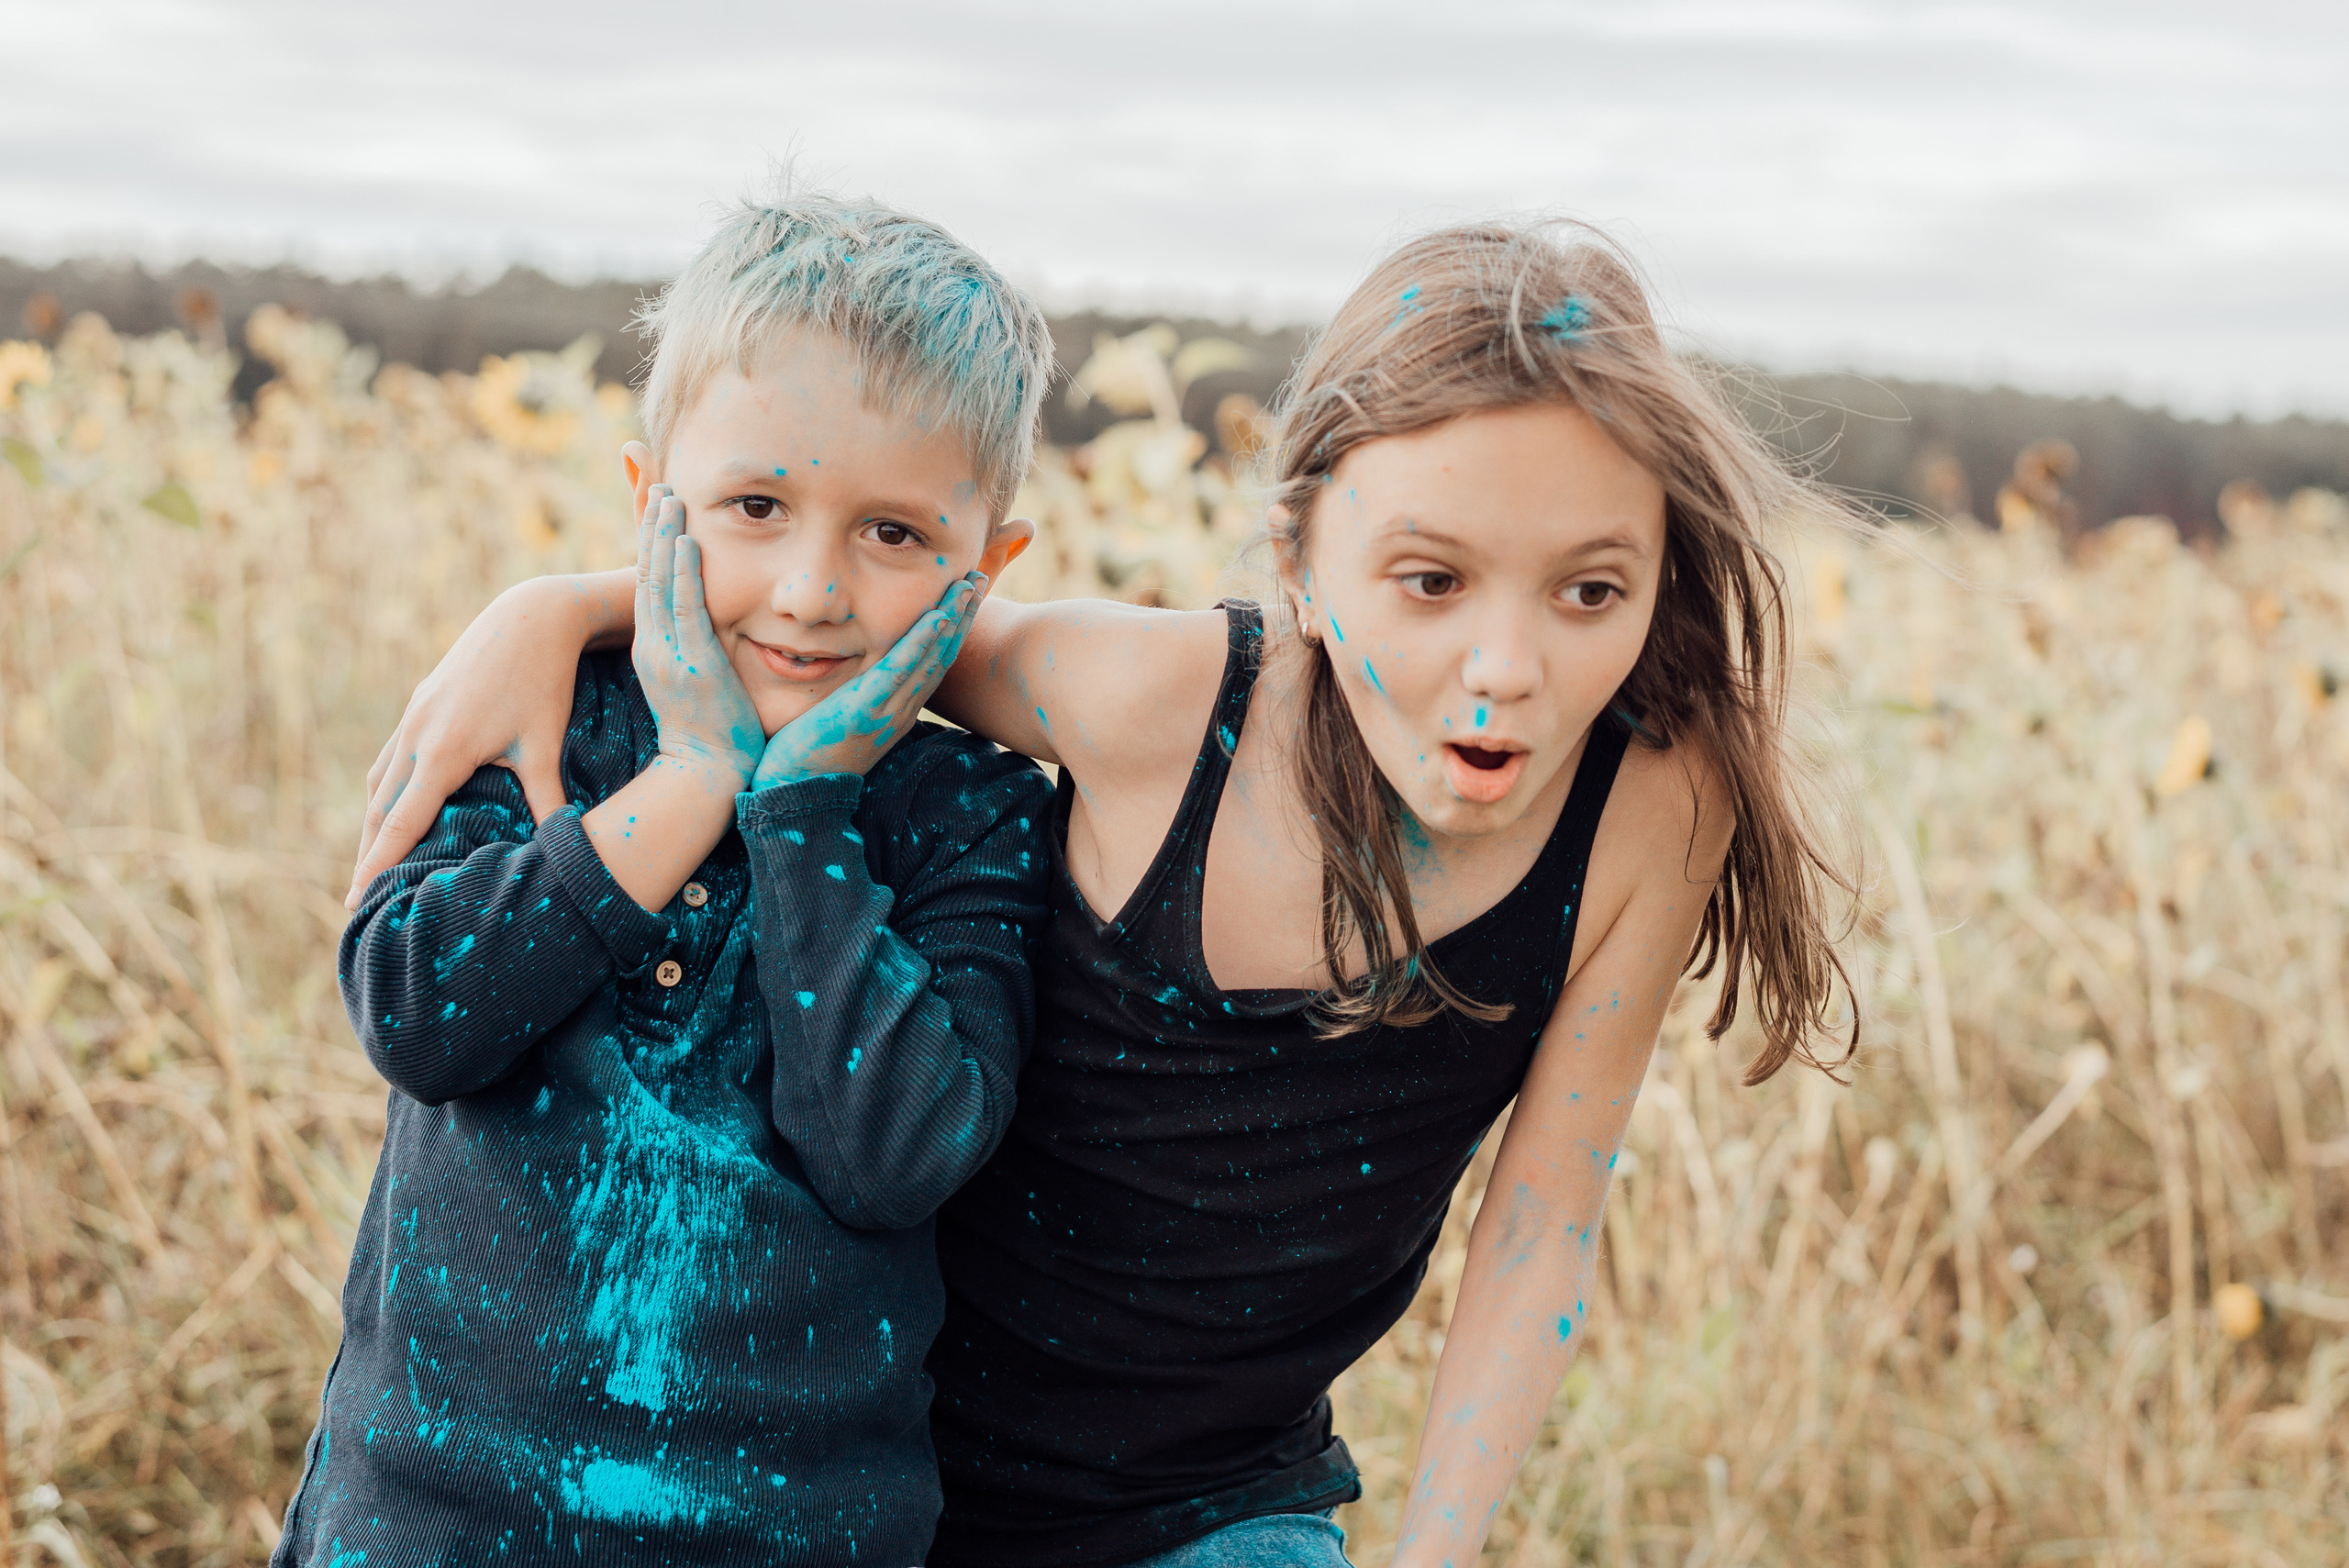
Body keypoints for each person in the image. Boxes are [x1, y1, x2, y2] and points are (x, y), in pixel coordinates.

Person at [347, 217, 1855, 1568]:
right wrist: (556, 608)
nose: (1508, 667)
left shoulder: (1654, 808)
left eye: (1590, 590)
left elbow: (1544, 1225)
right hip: (877, 1468)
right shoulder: (1151, 701)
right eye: (1431, 580)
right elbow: (865, 632)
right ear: (1301, 560)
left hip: (1214, 1507)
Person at [278, 193, 1057, 1565]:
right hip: (427, 1522)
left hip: (793, 1536)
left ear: (985, 567)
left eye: (893, 534)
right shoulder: (545, 719)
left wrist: (803, 807)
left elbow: (899, 1153)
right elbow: (413, 1011)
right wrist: (692, 778)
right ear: (651, 502)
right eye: (756, 506)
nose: (812, 588)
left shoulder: (970, 815)